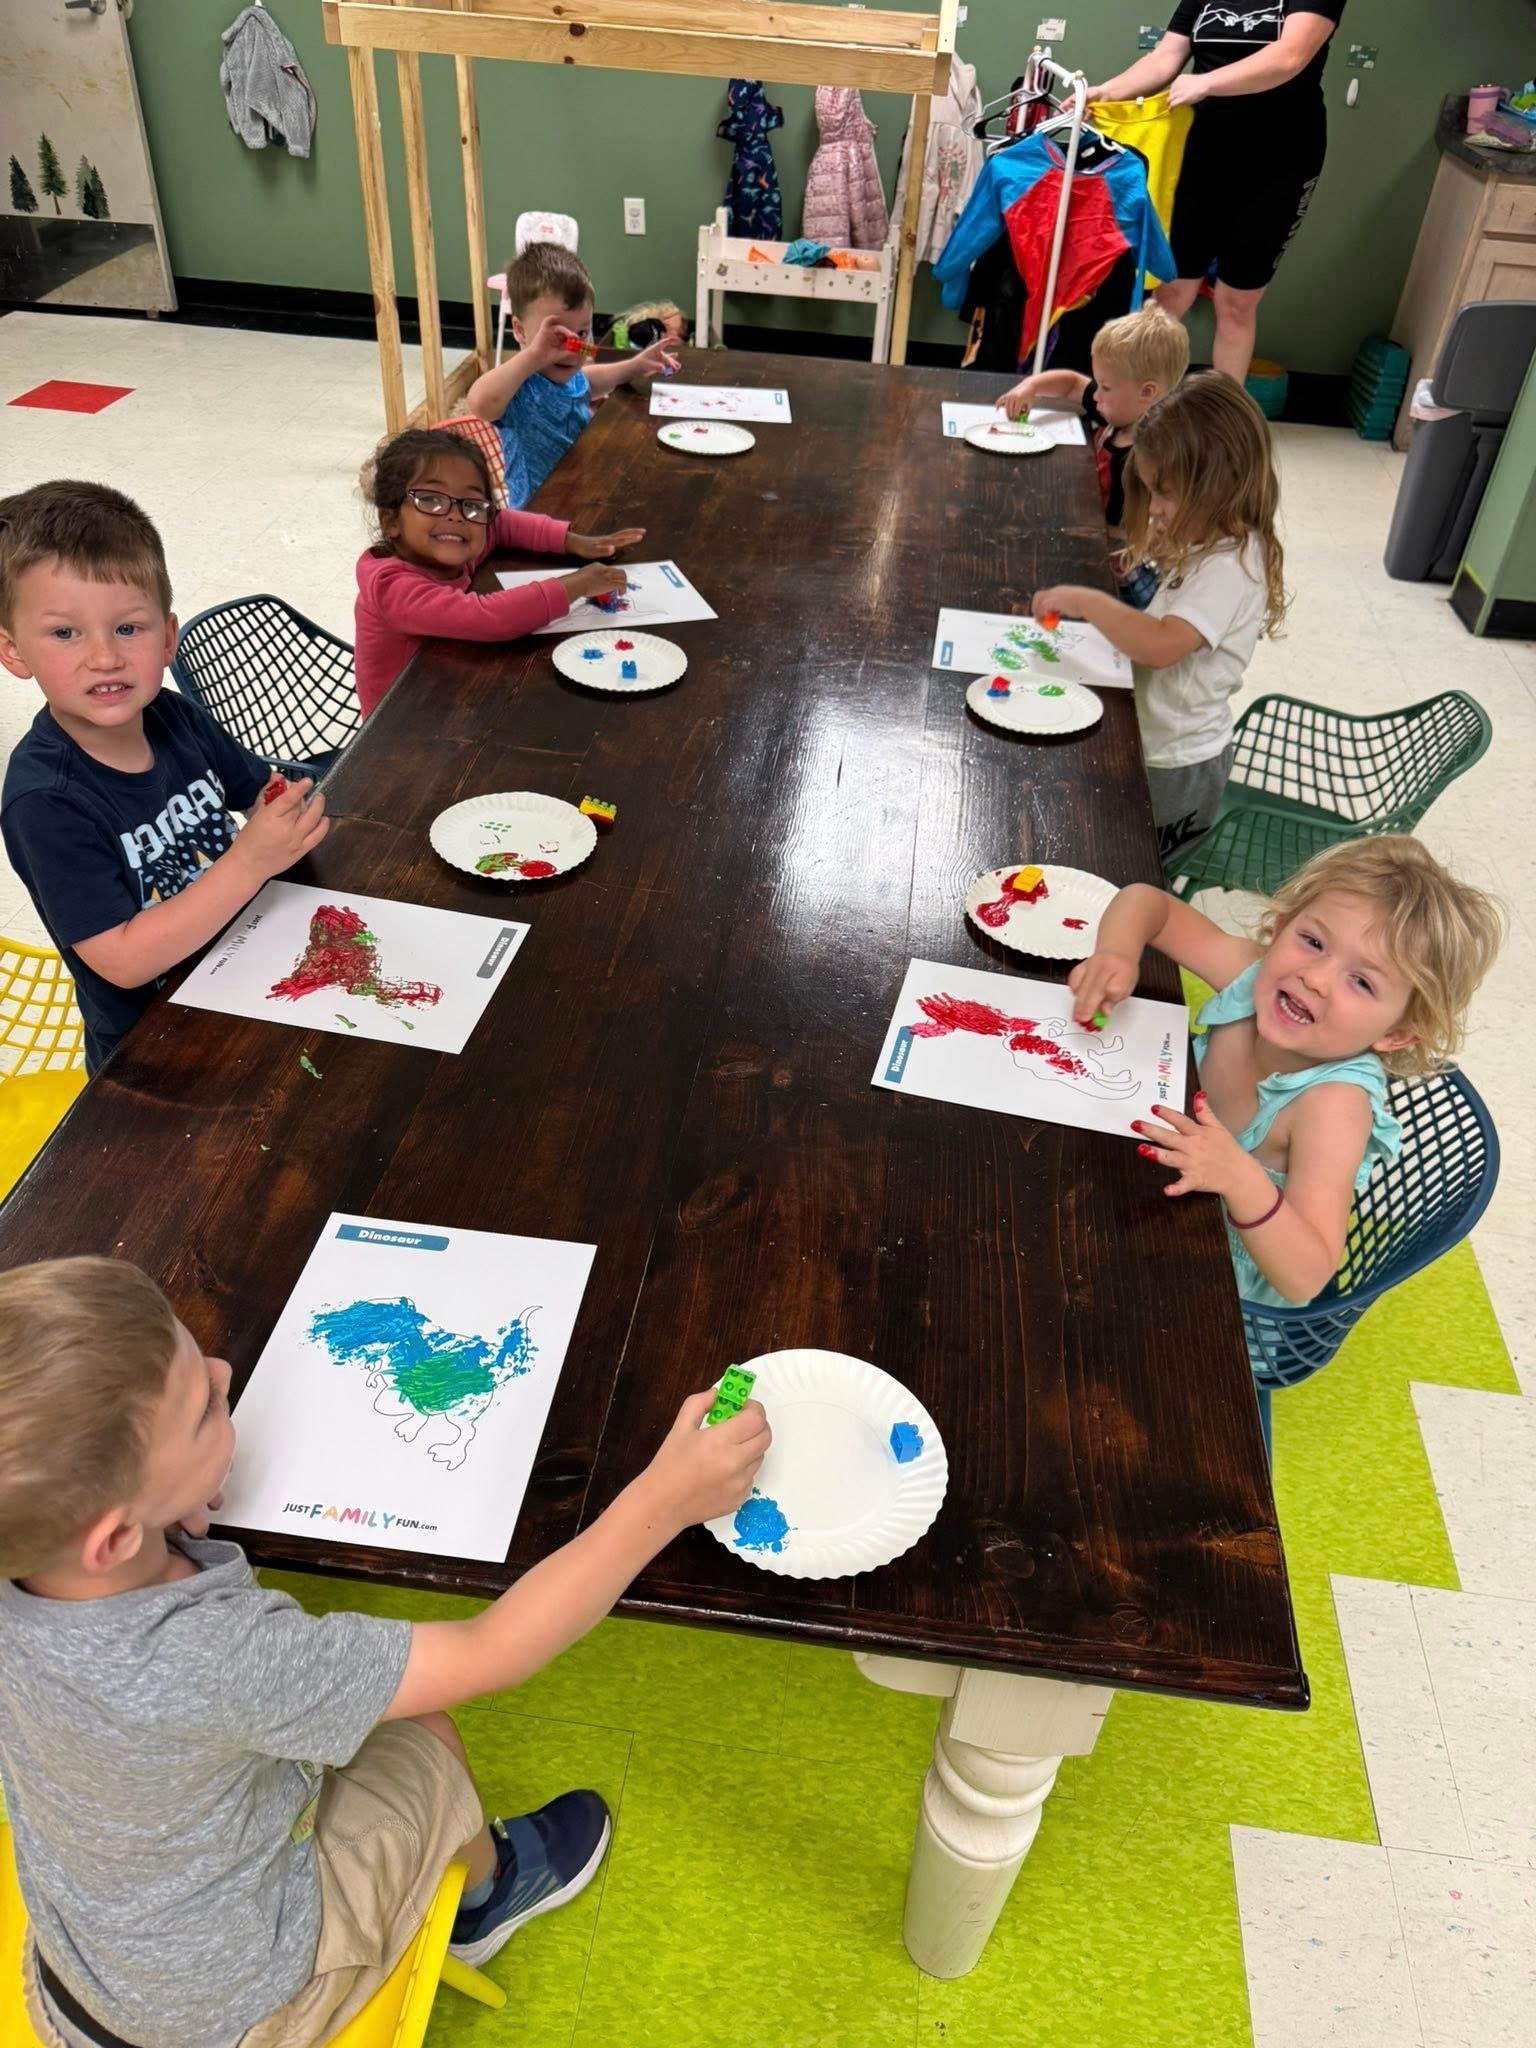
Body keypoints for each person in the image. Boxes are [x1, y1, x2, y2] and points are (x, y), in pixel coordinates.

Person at [0, 1256, 770, 2048]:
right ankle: (487, 1898)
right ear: (113, 1539)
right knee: (419, 1732)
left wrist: (160, 1506)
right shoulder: (219, 1658)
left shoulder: (29, 1554)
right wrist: (665, 1500)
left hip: (80, 1983)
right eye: (203, 1410)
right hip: (237, 2011)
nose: (227, 1369)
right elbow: (492, 1649)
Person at [1067, 837, 1502, 1317]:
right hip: (1156, 1190)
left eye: (1361, 981)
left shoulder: (1332, 1106)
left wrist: (1239, 1177)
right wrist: (1117, 954)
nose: (1315, 977)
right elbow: (1148, 904)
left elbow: (1306, 1278)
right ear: (1280, 927)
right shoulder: (1252, 974)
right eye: (1312, 942)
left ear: (1397, 1034)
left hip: (1223, 1298)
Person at [0, 480, 329, 1076]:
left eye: (128, 628)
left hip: (246, 969)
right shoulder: (43, 802)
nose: (105, 658)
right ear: (14, 651)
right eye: (64, 633)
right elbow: (122, 961)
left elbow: (257, 791)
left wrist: (278, 807)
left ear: (168, 636)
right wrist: (251, 860)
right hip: (152, 1048)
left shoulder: (174, 716)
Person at [1031, 371, 1283, 856]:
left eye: (1165, 495)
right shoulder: (1213, 539)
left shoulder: (1232, 565)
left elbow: (1162, 646)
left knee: (1135, 868)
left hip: (1176, 766)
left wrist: (1089, 602)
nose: (1156, 510)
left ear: (1218, 483)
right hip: (1154, 741)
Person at [1086, 4, 1348, 382]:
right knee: (1169, 293)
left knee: (1237, 302)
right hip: (1202, 152)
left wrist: (1208, 82)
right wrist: (1105, 92)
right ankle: (1134, 410)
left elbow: (1291, 55)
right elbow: (1167, 56)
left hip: (1280, 158)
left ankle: (1224, 430)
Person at [353, 428, 644, 716]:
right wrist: (575, 585)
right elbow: (487, 618)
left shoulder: (448, 549)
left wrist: (573, 542)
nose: (455, 515)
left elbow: (500, 524)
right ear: (390, 521)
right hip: (400, 736)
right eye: (430, 500)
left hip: (442, 694)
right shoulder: (391, 587)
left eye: (471, 504)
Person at [998, 302, 1189, 607]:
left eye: (1106, 387)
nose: (1096, 395)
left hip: (1118, 570)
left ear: (1147, 393)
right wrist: (1030, 387)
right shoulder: (1117, 411)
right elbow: (1072, 383)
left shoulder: (1149, 457)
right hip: (1088, 532)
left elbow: (1144, 527)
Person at [463, 242, 680, 508]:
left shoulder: (568, 374)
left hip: (579, 494)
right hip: (537, 515)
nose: (573, 349)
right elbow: (479, 403)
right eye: (558, 336)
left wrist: (636, 365)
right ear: (520, 331)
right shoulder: (519, 387)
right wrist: (534, 356)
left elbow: (590, 381)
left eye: (582, 333)